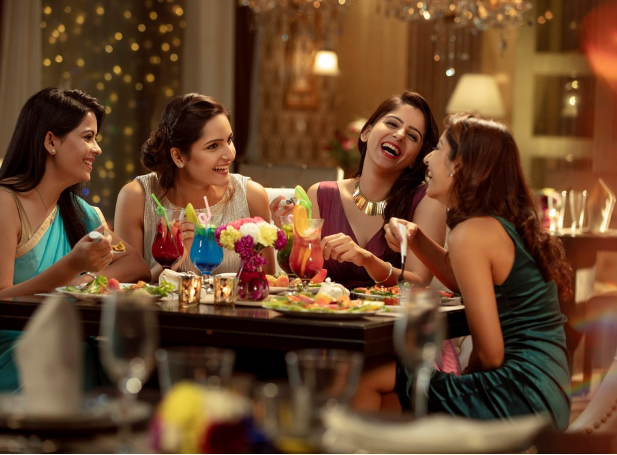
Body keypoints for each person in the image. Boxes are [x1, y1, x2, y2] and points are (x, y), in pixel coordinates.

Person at [356, 114, 573, 430]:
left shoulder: (471, 233)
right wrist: (416, 239)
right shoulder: (495, 224)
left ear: (459, 166)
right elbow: (461, 278)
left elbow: (491, 354)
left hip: (520, 393)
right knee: (391, 403)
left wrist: (459, 382)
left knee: (368, 378)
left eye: (438, 149)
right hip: (550, 388)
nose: (427, 158)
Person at [0, 87, 151, 405]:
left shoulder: (81, 214)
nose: (97, 149)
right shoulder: (0, 205)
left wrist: (87, 280)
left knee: (124, 372)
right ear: (51, 141)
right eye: (88, 137)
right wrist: (72, 266)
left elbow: (133, 262)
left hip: (50, 345)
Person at [270, 90, 447, 290]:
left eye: (412, 136)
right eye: (392, 124)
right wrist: (290, 236)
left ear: (416, 158)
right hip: (325, 314)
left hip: (390, 319)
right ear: (366, 132)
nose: (399, 135)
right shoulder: (321, 195)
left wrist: (367, 259)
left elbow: (418, 281)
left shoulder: (426, 200)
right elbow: (305, 277)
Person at [114, 93, 274, 282]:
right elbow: (127, 288)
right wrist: (173, 258)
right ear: (179, 156)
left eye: (229, 140)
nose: (230, 154)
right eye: (213, 146)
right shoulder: (136, 197)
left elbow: (269, 284)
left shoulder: (252, 197)